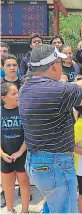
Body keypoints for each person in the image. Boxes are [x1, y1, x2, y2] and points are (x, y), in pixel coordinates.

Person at [18, 44, 82, 213]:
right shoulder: (57, 91)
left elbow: (72, 86)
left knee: (52, 205)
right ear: (53, 66)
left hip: (35, 163)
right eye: (60, 60)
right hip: (56, 165)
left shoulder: (26, 88)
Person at [1, 82, 30, 213]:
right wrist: (1, 154)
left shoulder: (24, 110)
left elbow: (29, 134)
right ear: (3, 97)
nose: (18, 95)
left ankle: (25, 210)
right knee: (8, 185)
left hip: (22, 154)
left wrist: (20, 152)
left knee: (24, 182)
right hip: (5, 155)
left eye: (18, 92)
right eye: (13, 94)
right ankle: (10, 209)